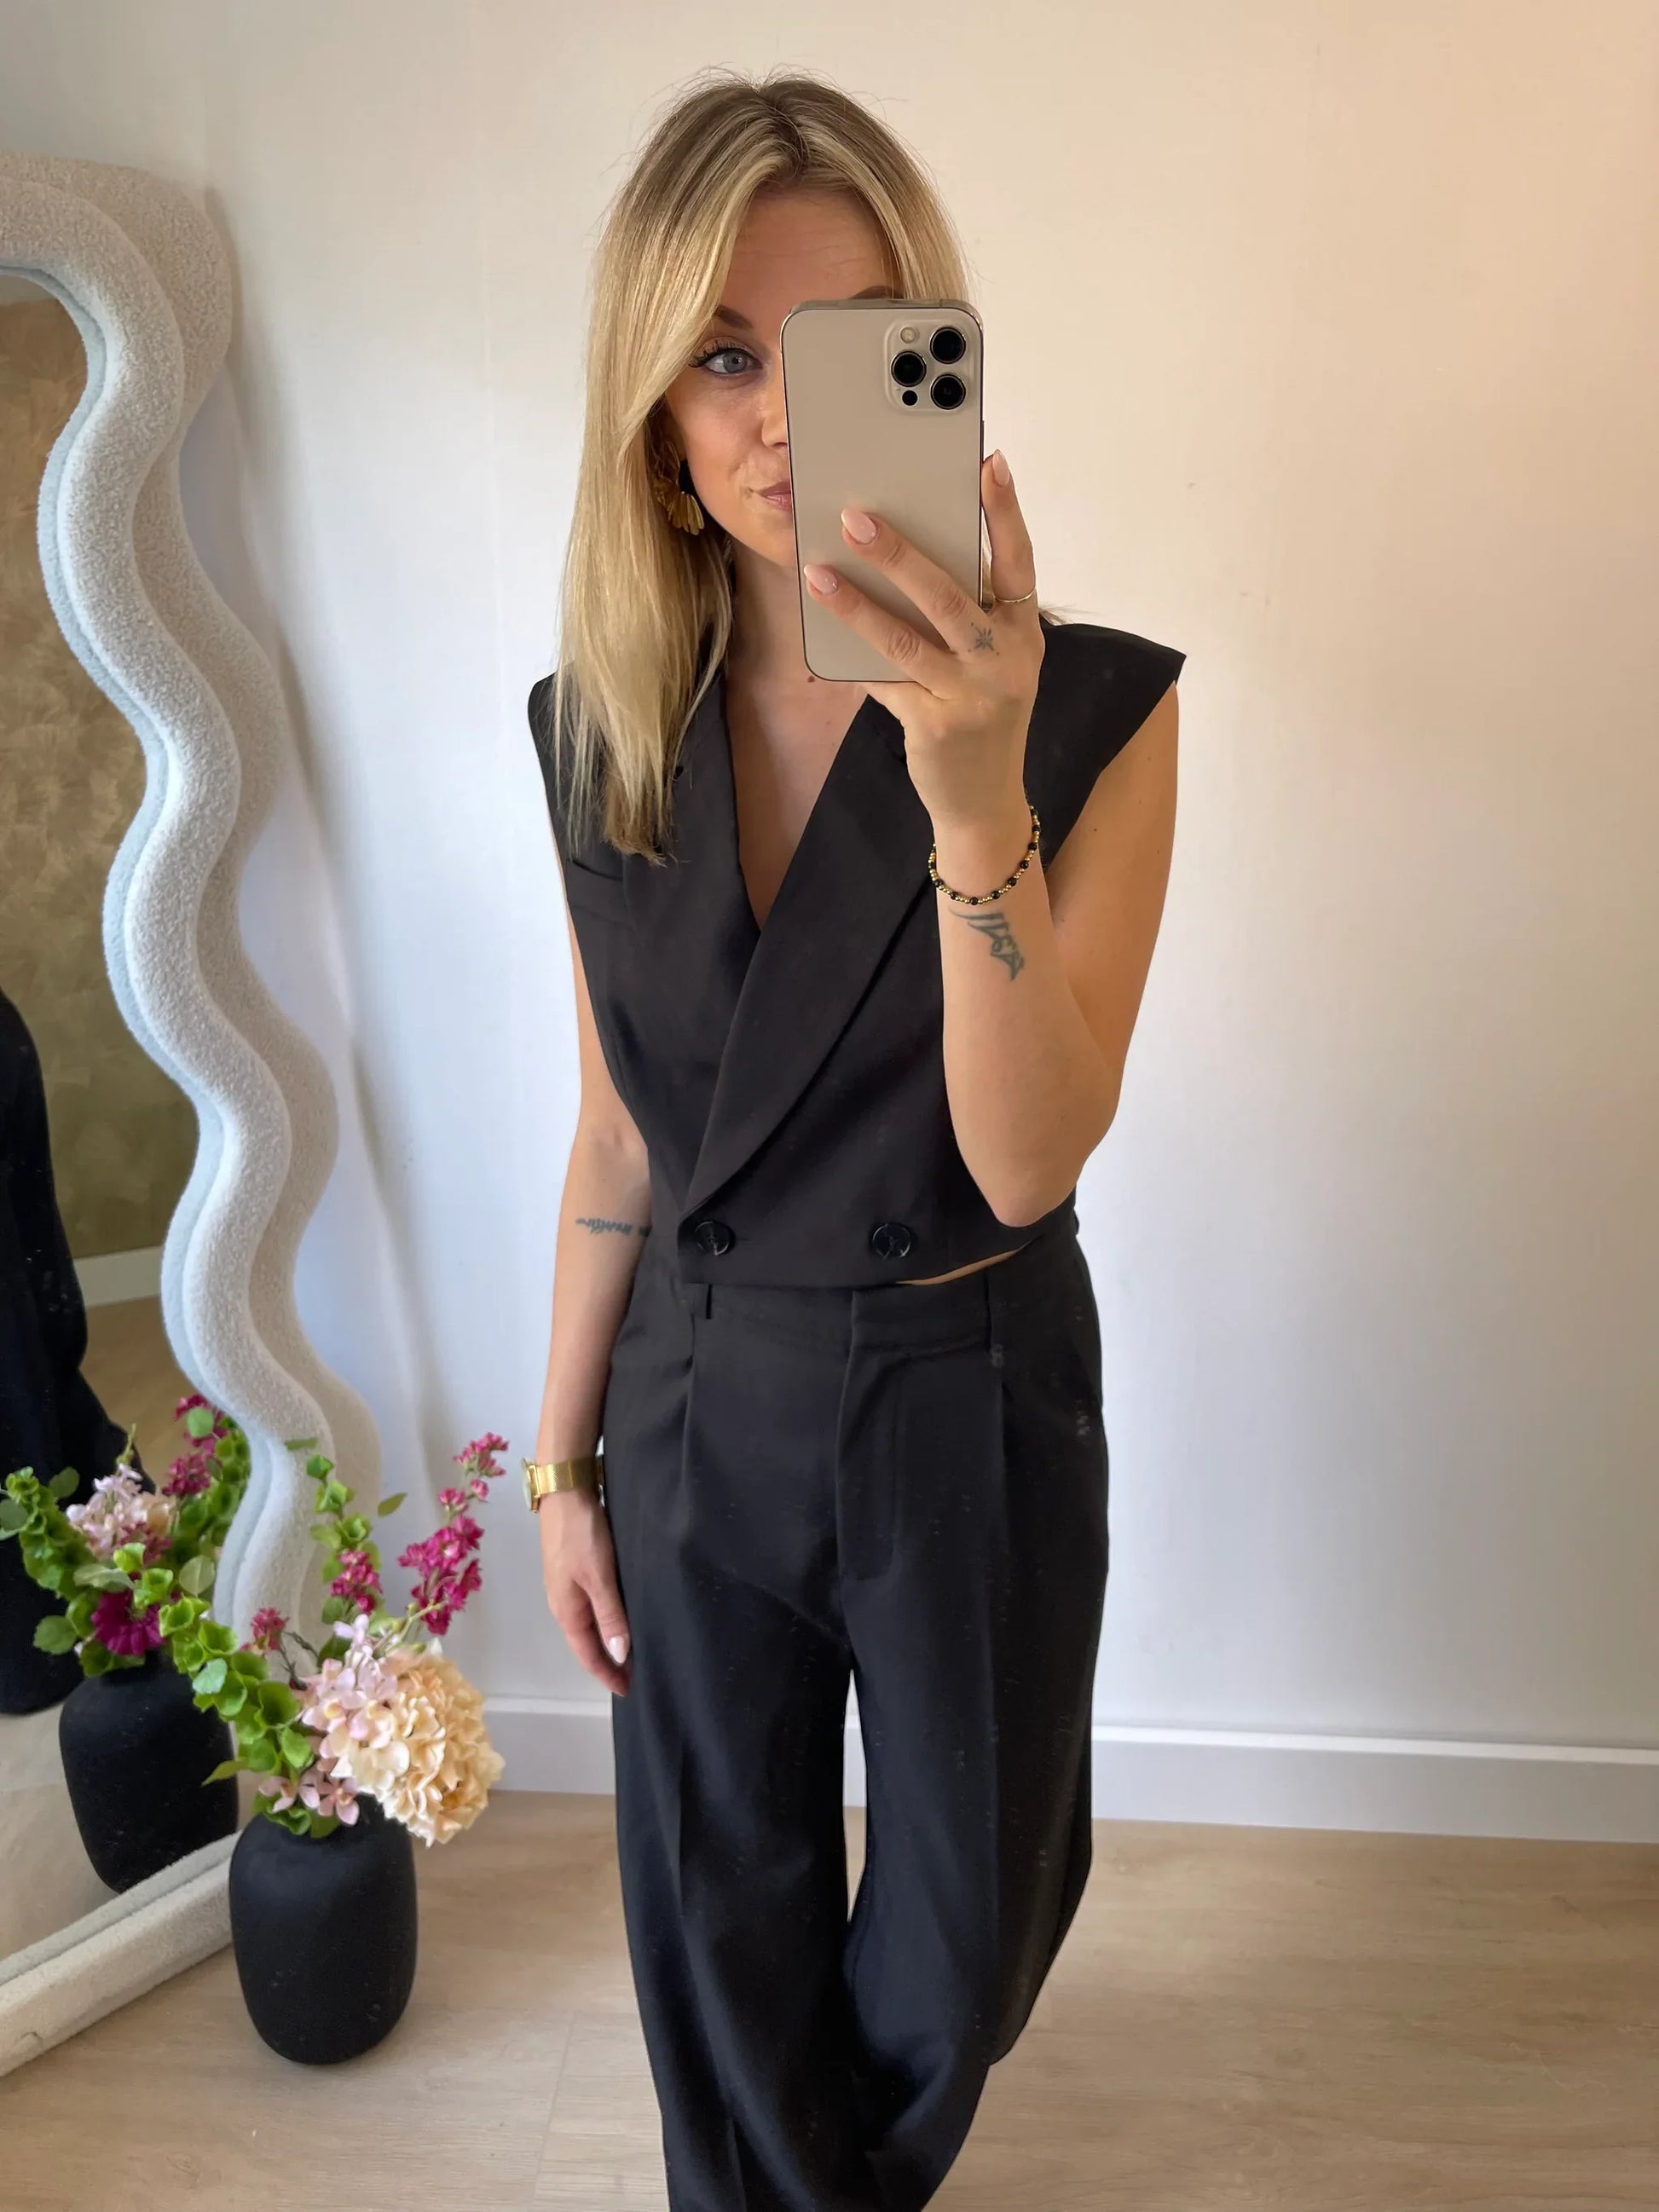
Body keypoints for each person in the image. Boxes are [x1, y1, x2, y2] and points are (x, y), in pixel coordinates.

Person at [524, 66, 1183, 2212]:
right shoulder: (601, 726)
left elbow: (1023, 1163)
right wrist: (559, 1458)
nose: (785, 419)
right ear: (652, 407)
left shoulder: (1092, 708)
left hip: (960, 1382)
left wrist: (973, 794)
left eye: (844, 346)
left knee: (970, 1936)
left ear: (934, 356)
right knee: (717, 1919)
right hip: (696, 1389)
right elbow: (618, 1128)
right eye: (726, 355)